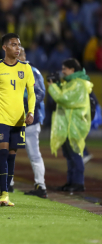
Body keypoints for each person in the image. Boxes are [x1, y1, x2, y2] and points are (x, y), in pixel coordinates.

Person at [0, 33, 35, 206]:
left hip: (19, 118)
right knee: (3, 152)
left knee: (12, 156)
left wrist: (31, 112)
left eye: (18, 45)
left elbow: (32, 93)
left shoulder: (26, 68)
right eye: (13, 44)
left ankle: (6, 193)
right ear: (4, 47)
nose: (17, 48)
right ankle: (3, 193)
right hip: (1, 116)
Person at [49, 58, 93, 192]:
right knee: (69, 155)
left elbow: (64, 99)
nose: (62, 72)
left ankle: (78, 183)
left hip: (74, 125)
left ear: (72, 70)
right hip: (68, 125)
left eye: (64, 69)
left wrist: (53, 86)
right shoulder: (71, 83)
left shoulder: (79, 84)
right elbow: (64, 96)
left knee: (75, 154)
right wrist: (58, 85)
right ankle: (71, 182)